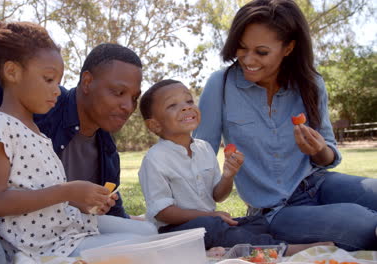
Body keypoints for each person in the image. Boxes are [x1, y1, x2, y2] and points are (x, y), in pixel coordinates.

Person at [0, 22, 156, 263]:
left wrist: (151, 222)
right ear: (88, 82)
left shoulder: (107, 154)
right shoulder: (29, 93)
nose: (128, 107)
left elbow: (107, 214)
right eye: (118, 92)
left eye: (134, 98)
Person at [193, 0, 377, 250]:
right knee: (362, 223)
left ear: (288, 48)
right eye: (241, 47)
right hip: (274, 211)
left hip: (318, 183)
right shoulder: (221, 85)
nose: (247, 59)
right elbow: (200, 158)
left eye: (261, 52)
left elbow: (329, 154)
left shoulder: (310, 83)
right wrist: (197, 213)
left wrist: (318, 149)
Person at [138, 79, 331, 256]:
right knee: (213, 226)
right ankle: (281, 250)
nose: (185, 108)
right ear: (154, 125)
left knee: (257, 222)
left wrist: (228, 175)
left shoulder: (204, 148)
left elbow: (217, 196)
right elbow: (163, 212)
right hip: (173, 233)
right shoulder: (155, 159)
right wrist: (210, 215)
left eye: (189, 101)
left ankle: (226, 247)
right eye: (173, 105)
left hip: (209, 224)